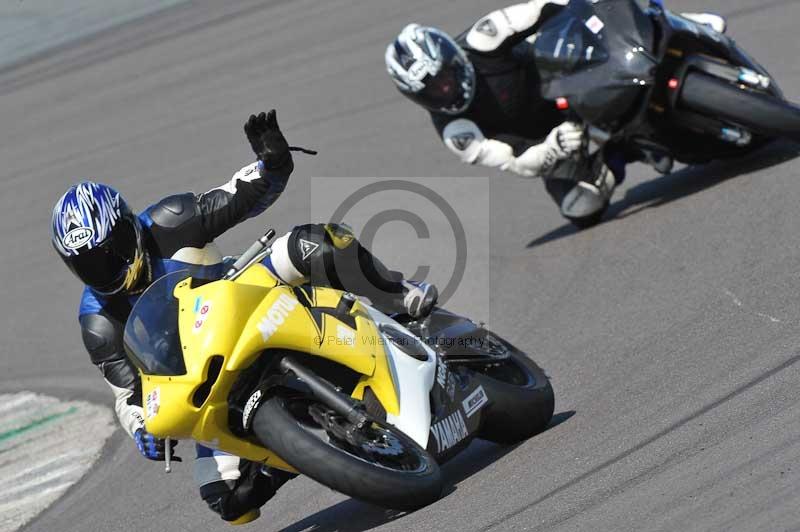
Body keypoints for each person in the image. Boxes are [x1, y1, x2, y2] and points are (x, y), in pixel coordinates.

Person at [50, 110, 438, 524]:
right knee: (228, 500)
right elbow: (129, 396)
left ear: (130, 225)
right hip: (206, 372)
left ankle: (397, 296)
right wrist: (143, 428)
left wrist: (272, 161)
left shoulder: (171, 220)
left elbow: (243, 195)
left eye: (113, 250)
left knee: (313, 243)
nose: (107, 269)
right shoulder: (98, 321)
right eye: (89, 266)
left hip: (248, 290)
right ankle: (294, 454)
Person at [385, 1, 726, 226]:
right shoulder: (456, 132)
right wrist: (552, 148)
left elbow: (542, 7)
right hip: (556, 139)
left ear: (451, 56)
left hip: (572, 75)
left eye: (444, 76)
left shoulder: (484, 39)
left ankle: (685, 26)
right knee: (581, 209)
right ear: (416, 96)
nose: (444, 89)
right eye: (432, 89)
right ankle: (620, 154)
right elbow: (514, 163)